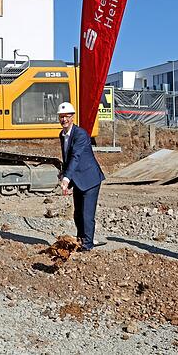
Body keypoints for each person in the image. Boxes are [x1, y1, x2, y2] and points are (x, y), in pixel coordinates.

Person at [57, 102, 105, 251]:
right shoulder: (62, 134)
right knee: (77, 214)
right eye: (61, 117)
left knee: (86, 215)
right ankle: (80, 240)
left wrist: (66, 178)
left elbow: (76, 157)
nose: (64, 119)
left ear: (72, 117)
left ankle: (87, 246)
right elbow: (67, 157)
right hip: (77, 179)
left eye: (66, 116)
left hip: (90, 178)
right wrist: (64, 173)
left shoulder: (81, 134)